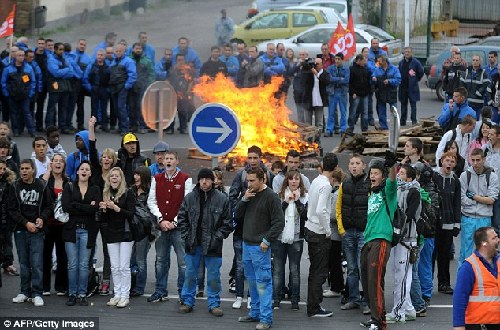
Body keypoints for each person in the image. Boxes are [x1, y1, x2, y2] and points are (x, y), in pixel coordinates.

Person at [177, 168, 232, 316]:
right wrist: (187, 236)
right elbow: (181, 219)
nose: (204, 182)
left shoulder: (222, 199)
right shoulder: (189, 198)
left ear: (212, 181)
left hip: (213, 245)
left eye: (207, 179)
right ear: (199, 180)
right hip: (193, 244)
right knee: (189, 274)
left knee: (214, 276)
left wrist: (217, 237)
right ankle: (187, 301)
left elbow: (228, 223)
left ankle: (214, 304)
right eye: (202, 179)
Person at [235, 167, 284, 330]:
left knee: (263, 283)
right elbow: (236, 215)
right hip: (247, 244)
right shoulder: (248, 193)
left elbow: (279, 222)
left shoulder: (271, 197)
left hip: (260, 247)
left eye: (252, 180)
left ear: (262, 179)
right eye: (247, 180)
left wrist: (267, 240)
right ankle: (254, 313)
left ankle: (266, 319)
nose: (249, 183)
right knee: (253, 282)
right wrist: (244, 200)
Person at [229, 146, 273, 309]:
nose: (253, 161)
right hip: (242, 228)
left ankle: (253, 300)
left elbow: (272, 198)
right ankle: (239, 296)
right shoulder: (241, 175)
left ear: (261, 158)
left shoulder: (268, 175)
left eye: (256, 158)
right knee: (240, 266)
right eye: (250, 158)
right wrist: (243, 203)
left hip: (260, 230)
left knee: (259, 271)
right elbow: (232, 197)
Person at [360, 150, 398, 330]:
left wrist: (391, 166)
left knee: (374, 281)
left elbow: (392, 180)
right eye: (371, 173)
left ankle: (379, 322)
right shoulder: (371, 193)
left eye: (376, 173)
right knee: (368, 281)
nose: (372, 176)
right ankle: (378, 315)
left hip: (381, 240)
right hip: (368, 240)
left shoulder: (388, 192)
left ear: (382, 177)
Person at [8, 159, 53, 307]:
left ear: (33, 170)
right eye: (22, 168)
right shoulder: (14, 186)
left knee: (37, 263)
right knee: (24, 262)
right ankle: (24, 292)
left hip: (38, 230)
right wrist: (26, 223)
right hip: (21, 229)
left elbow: (49, 206)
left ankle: (37, 293)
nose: (24, 171)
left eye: (27, 168)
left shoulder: (41, 185)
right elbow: (12, 210)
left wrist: (42, 218)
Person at [147, 150, 191, 302]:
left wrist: (175, 222)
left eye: (171, 158)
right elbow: (151, 201)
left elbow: (186, 203)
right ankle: (160, 291)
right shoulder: (156, 178)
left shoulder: (186, 179)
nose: (168, 161)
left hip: (178, 228)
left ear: (177, 161)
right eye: (166, 158)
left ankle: (183, 293)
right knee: (160, 260)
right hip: (162, 227)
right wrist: (160, 220)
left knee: (183, 262)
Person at [62, 161, 101, 306]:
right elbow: (66, 207)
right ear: (77, 172)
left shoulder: (95, 189)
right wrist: (86, 206)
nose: (84, 171)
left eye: (87, 169)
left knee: (84, 265)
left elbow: (95, 208)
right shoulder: (69, 186)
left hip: (88, 231)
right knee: (72, 264)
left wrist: (76, 206)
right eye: (82, 169)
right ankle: (72, 293)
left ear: (90, 173)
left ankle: (82, 294)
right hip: (71, 230)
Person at [386, 164, 421, 323]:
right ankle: (409, 309)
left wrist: (396, 229)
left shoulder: (414, 192)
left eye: (401, 173)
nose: (398, 175)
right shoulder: (399, 189)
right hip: (399, 238)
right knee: (403, 275)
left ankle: (398, 312)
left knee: (402, 276)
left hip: (407, 239)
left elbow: (409, 216)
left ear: (409, 178)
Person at [304, 153, 338, 318]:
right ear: (336, 168)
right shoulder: (326, 185)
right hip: (319, 232)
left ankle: (312, 304)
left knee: (314, 270)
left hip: (310, 228)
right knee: (319, 271)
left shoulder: (316, 181)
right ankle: (314, 307)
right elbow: (321, 210)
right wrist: (328, 231)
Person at [336, 153, 371, 314]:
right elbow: (338, 207)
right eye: (352, 163)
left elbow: (372, 209)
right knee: (351, 268)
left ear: (364, 166)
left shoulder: (369, 184)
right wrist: (341, 229)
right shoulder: (345, 183)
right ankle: (353, 299)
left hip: (364, 232)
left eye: (357, 163)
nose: (354, 166)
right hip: (348, 232)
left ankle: (366, 301)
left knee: (362, 267)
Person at [100, 167, 136, 308]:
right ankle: (117, 294)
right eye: (112, 176)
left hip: (126, 233)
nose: (114, 178)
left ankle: (125, 296)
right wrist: (103, 209)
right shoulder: (106, 193)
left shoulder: (128, 193)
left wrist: (117, 208)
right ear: (108, 179)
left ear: (121, 179)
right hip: (111, 233)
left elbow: (131, 214)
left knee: (123, 267)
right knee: (115, 267)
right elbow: (103, 219)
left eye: (117, 176)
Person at [273, 169, 308, 311]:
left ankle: (295, 300)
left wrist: (298, 201)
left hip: (297, 237)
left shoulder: (305, 196)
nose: (294, 181)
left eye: (297, 179)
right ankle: (276, 299)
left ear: (300, 181)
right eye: (291, 179)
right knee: (278, 270)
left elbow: (306, 216)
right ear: (286, 180)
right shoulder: (279, 196)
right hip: (279, 238)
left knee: (295, 269)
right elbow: (276, 216)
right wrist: (286, 202)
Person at [87, 116, 115, 295]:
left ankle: (105, 282)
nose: (105, 159)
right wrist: (91, 127)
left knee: (107, 251)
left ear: (113, 161)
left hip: (108, 218)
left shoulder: (115, 176)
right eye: (104, 156)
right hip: (92, 215)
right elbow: (91, 148)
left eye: (109, 157)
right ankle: (88, 280)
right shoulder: (95, 170)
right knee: (89, 250)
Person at [453, 226, 500, 329]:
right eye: (494, 238)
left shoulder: (498, 262)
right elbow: (460, 298)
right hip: (479, 325)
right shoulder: (469, 266)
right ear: (484, 243)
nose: (498, 240)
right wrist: (459, 326)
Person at [459, 148, 499, 267]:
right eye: (473, 160)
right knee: (465, 253)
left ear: (484, 159)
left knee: (485, 252)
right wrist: (480, 200)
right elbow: (461, 198)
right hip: (468, 218)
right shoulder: (465, 175)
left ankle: (484, 282)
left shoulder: (492, 176)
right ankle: (464, 282)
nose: (475, 163)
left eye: (478, 160)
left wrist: (473, 196)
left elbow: (491, 199)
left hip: (484, 219)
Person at [41, 154, 69, 297]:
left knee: (62, 256)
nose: (58, 163)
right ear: (51, 164)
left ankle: (61, 286)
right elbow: (39, 191)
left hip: (63, 224)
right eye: (55, 161)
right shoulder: (45, 179)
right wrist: (46, 173)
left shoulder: (68, 181)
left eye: (60, 161)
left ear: (64, 165)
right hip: (47, 224)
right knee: (45, 255)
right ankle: (45, 287)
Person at [129, 166, 154, 297]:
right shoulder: (131, 190)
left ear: (144, 176)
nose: (136, 177)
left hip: (143, 231)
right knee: (131, 260)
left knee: (140, 261)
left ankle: (139, 288)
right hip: (130, 229)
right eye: (135, 174)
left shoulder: (151, 193)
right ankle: (131, 285)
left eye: (138, 175)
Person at [1, 49, 37, 137]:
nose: (21, 57)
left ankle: (32, 131)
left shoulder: (28, 68)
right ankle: (16, 130)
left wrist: (30, 93)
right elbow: (3, 82)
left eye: (22, 55)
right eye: (19, 55)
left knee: (27, 113)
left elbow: (33, 81)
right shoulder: (8, 68)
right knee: (14, 113)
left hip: (25, 95)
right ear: (14, 56)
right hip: (12, 95)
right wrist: (6, 93)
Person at [323, 168, 345, 300]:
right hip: (335, 233)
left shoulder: (336, 193)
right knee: (334, 261)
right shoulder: (336, 191)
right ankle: (336, 286)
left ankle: (336, 287)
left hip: (335, 233)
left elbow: (333, 214)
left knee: (334, 262)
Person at [109, 44, 137, 135]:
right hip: (114, 88)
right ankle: (121, 127)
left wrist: (126, 86)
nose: (118, 53)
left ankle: (125, 128)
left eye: (120, 51)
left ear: (124, 51)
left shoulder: (128, 61)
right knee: (116, 108)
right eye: (116, 51)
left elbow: (133, 75)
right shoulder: (113, 61)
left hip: (122, 88)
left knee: (121, 107)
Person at [46, 43, 74, 133]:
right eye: (60, 49)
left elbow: (71, 73)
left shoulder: (65, 58)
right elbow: (55, 73)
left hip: (65, 86)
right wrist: (66, 69)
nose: (62, 51)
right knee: (51, 107)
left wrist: (64, 71)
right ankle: (49, 126)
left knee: (63, 107)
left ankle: (63, 126)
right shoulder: (51, 59)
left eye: (63, 49)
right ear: (55, 49)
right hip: (55, 86)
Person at [166, 53, 196, 134]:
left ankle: (183, 128)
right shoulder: (172, 69)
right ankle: (170, 128)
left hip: (184, 93)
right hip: (173, 93)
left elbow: (191, 81)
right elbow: (168, 80)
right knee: (171, 112)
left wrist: (188, 91)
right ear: (176, 60)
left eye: (182, 59)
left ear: (184, 60)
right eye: (178, 59)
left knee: (183, 111)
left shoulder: (188, 69)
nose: (180, 61)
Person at [128, 43, 154, 133]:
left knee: (141, 107)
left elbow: (151, 74)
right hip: (131, 87)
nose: (138, 50)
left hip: (142, 87)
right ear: (132, 49)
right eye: (136, 48)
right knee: (131, 107)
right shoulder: (128, 59)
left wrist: (148, 85)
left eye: (139, 48)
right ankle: (132, 125)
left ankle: (142, 125)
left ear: (142, 50)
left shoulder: (147, 61)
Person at [83, 49, 111, 132]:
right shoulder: (91, 66)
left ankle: (104, 124)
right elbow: (85, 78)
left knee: (104, 108)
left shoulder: (108, 66)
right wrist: (90, 88)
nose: (100, 56)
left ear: (104, 56)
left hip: (104, 89)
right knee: (94, 108)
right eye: (98, 55)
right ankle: (93, 125)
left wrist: (108, 89)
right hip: (95, 89)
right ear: (96, 56)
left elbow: (111, 78)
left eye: (102, 55)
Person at [372, 54, 401, 131]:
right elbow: (373, 77)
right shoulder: (377, 69)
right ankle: (383, 126)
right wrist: (373, 79)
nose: (379, 62)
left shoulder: (394, 69)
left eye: (380, 61)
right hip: (381, 92)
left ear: (385, 61)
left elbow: (398, 80)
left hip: (391, 92)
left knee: (394, 111)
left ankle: (394, 126)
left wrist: (389, 81)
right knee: (381, 111)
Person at [398, 47, 424, 126]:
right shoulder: (401, 62)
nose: (407, 53)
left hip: (412, 88)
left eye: (409, 52)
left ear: (411, 53)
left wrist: (416, 79)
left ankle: (414, 121)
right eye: (406, 52)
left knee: (413, 105)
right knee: (403, 105)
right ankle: (403, 121)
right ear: (404, 53)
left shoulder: (415, 62)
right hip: (403, 87)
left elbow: (421, 72)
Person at [325, 53, 350, 136]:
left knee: (343, 111)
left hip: (342, 91)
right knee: (331, 111)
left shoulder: (346, 69)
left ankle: (343, 129)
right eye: (336, 59)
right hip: (333, 91)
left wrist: (336, 79)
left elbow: (346, 80)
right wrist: (339, 79)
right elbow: (329, 79)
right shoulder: (330, 68)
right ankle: (329, 129)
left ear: (342, 60)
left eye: (339, 59)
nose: (337, 61)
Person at [460, 55, 490, 119]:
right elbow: (462, 84)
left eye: (477, 60)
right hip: (467, 102)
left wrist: (478, 93)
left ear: (480, 62)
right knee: (466, 121)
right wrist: (464, 95)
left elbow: (486, 84)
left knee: (475, 121)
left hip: (478, 103)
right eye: (473, 60)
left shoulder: (483, 72)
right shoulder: (467, 71)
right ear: (471, 61)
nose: (475, 62)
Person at [348, 54, 371, 133]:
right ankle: (350, 129)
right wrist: (352, 92)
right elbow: (349, 83)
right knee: (353, 112)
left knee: (365, 114)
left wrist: (368, 91)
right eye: (363, 60)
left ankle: (364, 130)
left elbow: (368, 82)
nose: (365, 62)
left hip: (364, 94)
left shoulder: (366, 70)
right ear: (359, 60)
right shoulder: (352, 69)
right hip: (355, 94)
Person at [289, 49, 313, 124]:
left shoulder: (310, 63)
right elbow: (290, 72)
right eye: (300, 55)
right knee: (299, 111)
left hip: (306, 92)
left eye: (303, 55)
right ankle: (301, 126)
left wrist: (304, 64)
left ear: (306, 55)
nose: (301, 56)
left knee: (307, 111)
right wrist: (298, 65)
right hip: (297, 91)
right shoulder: (296, 64)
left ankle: (308, 128)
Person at [484, 125, 500, 234]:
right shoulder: (485, 149)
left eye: (492, 134)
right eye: (488, 134)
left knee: (496, 221)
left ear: (498, 136)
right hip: (485, 190)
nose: (489, 136)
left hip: (498, 191)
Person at [307, 57, 328, 134]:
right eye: (314, 64)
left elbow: (326, 81)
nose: (316, 65)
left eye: (317, 64)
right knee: (308, 123)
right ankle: (308, 138)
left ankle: (317, 139)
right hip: (310, 99)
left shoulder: (324, 73)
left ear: (322, 65)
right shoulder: (309, 73)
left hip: (319, 100)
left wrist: (316, 73)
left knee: (319, 122)